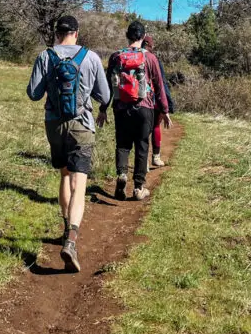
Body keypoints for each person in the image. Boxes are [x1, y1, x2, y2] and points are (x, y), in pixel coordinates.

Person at [27, 15, 111, 273]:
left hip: (54, 123)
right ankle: (72, 239)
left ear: (57, 33)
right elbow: (105, 95)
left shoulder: (45, 56)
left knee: (64, 175)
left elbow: (33, 93)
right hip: (82, 124)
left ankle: (65, 227)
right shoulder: (91, 57)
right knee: (80, 183)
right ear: (77, 32)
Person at [97, 21, 171, 201]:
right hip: (144, 107)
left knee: (122, 145)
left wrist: (103, 109)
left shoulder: (116, 57)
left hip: (121, 107)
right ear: (143, 36)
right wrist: (165, 109)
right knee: (142, 145)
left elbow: (108, 85)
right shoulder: (150, 58)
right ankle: (138, 187)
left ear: (127, 35)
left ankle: (121, 175)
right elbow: (159, 86)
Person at [141, 34, 175, 168]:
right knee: (155, 126)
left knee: (141, 131)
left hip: (132, 100)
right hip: (152, 100)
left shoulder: (128, 56)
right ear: (150, 45)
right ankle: (155, 157)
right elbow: (161, 83)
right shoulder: (153, 59)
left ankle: (143, 163)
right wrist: (167, 105)